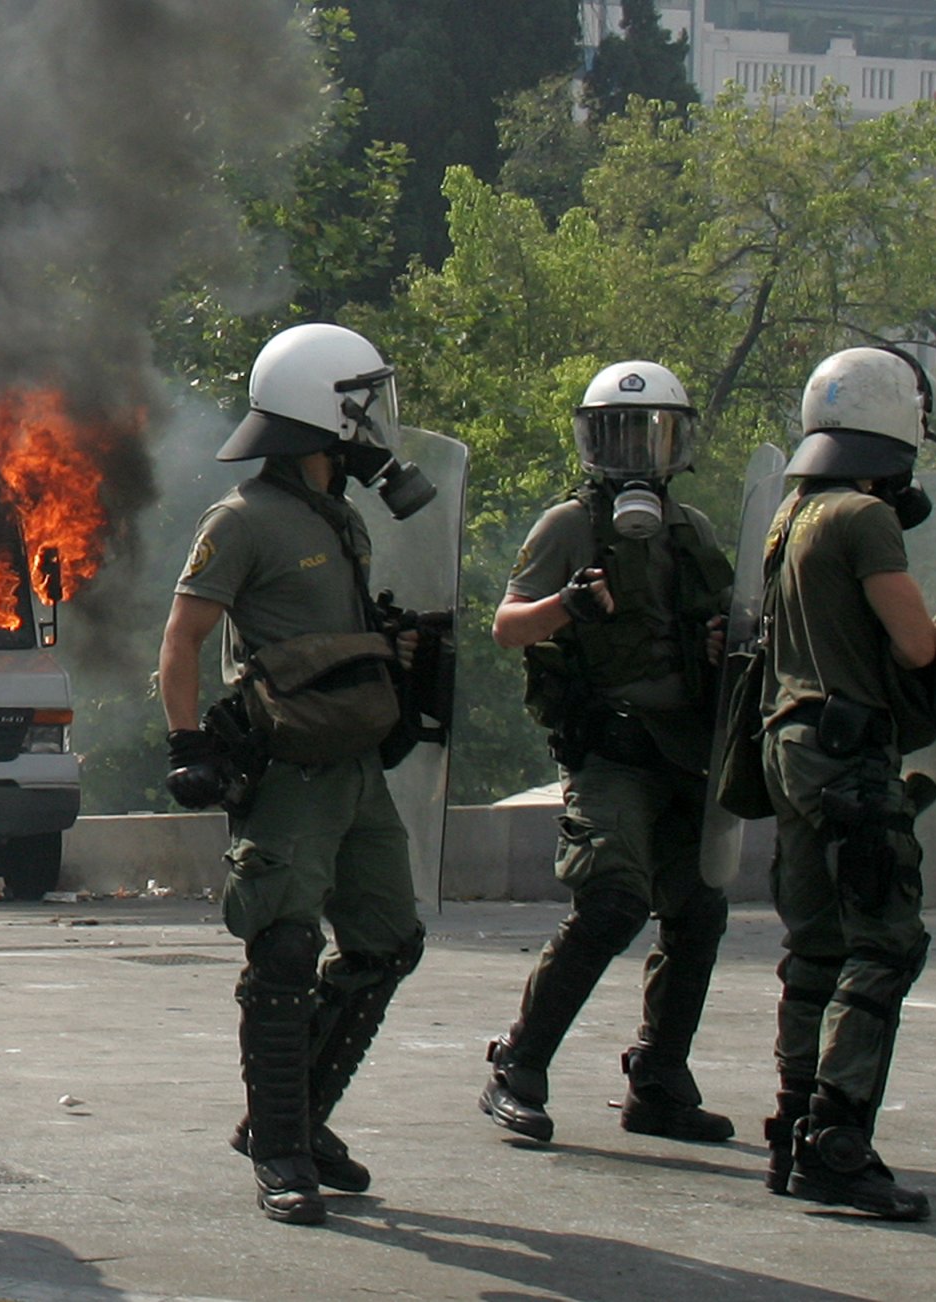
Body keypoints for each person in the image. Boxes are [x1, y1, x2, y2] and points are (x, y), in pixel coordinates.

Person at [158, 322, 433, 1226]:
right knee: (281, 949)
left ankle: (296, 1118)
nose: (374, 424)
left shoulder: (340, 517)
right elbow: (182, 640)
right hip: (288, 772)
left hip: (355, 766)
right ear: (325, 413)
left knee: (389, 940)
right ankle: (280, 1150)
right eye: (362, 405)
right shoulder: (242, 519)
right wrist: (188, 745)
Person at [479, 361, 736, 1147]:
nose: (634, 454)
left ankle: (659, 1077)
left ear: (677, 444)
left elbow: (736, 624)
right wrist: (570, 604)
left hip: (683, 749)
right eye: (618, 434)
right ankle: (518, 1065)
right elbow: (508, 625)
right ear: (592, 444)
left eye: (650, 434)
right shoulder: (568, 528)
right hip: (610, 751)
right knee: (613, 900)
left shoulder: (690, 533)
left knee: (698, 909)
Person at [758, 346, 936, 1221]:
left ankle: (791, 1125)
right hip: (847, 755)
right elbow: (915, 646)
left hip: (788, 745)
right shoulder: (865, 518)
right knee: (884, 941)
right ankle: (837, 1138)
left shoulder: (794, 513)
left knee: (814, 946)